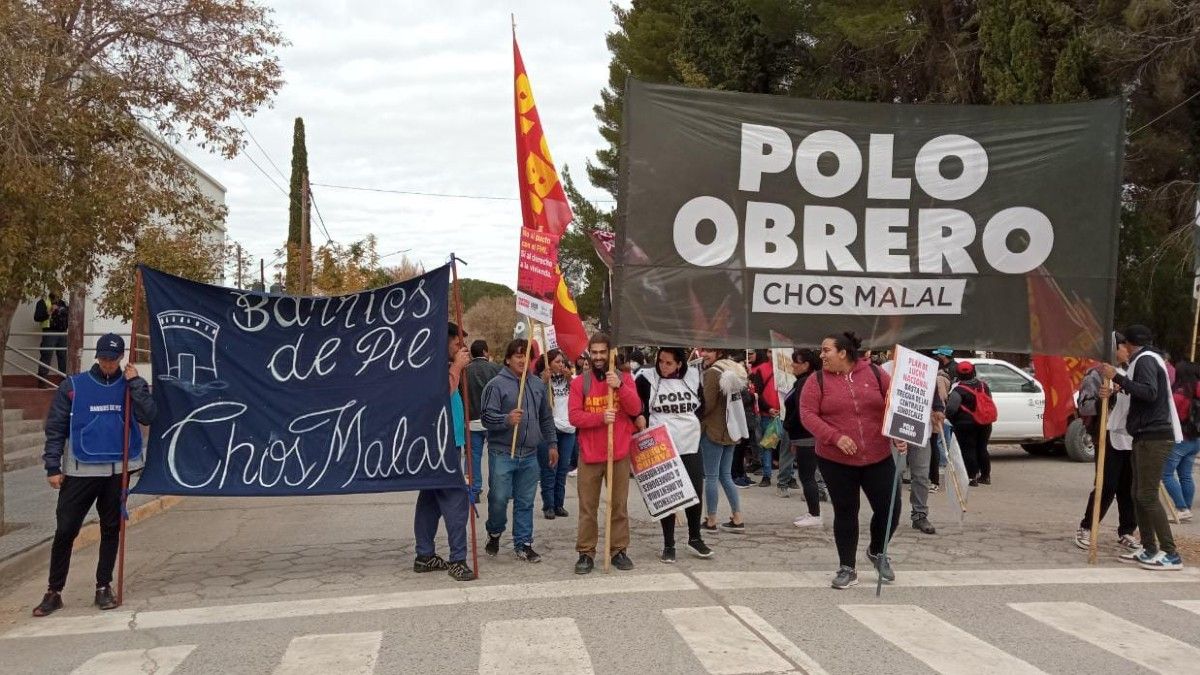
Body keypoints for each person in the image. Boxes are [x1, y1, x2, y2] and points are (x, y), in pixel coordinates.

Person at [33, 334, 156, 617]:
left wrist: (136, 383)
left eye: (113, 360)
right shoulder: (72, 386)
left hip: (115, 471)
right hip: (80, 471)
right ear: (97, 357)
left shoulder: (130, 386)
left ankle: (104, 586)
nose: (108, 364)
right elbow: (56, 428)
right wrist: (53, 466)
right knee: (65, 530)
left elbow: (149, 415)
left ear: (121, 358)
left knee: (111, 529)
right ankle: (54, 591)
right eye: (104, 359)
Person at [800, 331, 907, 590]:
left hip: (878, 456)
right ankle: (847, 567)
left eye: (826, 350)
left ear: (843, 353)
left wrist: (899, 434)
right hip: (836, 459)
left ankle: (877, 550)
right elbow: (807, 414)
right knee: (846, 512)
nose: (821, 355)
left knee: (890, 509)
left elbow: (894, 404)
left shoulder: (875, 374)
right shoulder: (816, 381)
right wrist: (834, 437)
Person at [1099, 325, 1184, 570]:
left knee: (1146, 494)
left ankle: (1170, 553)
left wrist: (1117, 376)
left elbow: (1148, 392)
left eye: (1122, 343)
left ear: (1129, 344)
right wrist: (1118, 385)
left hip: (1154, 435)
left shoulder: (1146, 360)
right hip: (1144, 434)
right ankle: (1149, 547)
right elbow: (1139, 392)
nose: (1121, 348)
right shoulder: (1145, 360)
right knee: (1138, 493)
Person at [569, 334, 641, 574]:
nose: (598, 357)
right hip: (590, 456)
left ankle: (619, 550)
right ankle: (586, 553)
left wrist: (619, 386)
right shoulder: (580, 382)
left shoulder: (625, 378)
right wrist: (600, 418)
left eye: (603, 352)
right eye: (595, 352)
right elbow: (574, 417)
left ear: (610, 353)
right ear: (590, 353)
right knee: (588, 507)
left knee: (618, 505)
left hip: (618, 453)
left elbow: (635, 408)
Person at [480, 339, 557, 563]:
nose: (522, 360)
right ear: (508, 359)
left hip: (530, 454)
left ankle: (523, 543)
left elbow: (546, 417)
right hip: (503, 453)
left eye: (526, 356)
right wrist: (506, 419)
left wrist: (552, 444)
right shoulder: (495, 385)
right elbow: (485, 417)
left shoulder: (537, 384)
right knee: (499, 498)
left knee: (525, 501)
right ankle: (494, 531)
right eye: (517, 355)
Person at [636, 347, 713, 562]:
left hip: (690, 443)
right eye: (660, 361)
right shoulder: (646, 379)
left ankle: (695, 538)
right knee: (668, 495)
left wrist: (691, 423)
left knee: (695, 491)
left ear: (679, 363)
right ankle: (668, 544)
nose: (663, 366)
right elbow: (637, 407)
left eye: (669, 363)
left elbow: (701, 406)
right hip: (662, 446)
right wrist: (640, 417)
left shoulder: (691, 376)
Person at [412, 323, 476, 582]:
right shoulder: (436, 368)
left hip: (446, 442)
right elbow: (439, 396)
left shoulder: (446, 367)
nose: (461, 348)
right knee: (455, 501)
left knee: (429, 501)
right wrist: (457, 367)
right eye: (456, 343)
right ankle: (457, 560)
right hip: (442, 445)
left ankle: (424, 554)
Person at [1074, 335, 1138, 553]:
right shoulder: (1096, 373)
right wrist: (1106, 399)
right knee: (1106, 485)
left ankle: (1127, 531)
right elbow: (1084, 406)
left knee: (1128, 487)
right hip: (1107, 436)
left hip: (1130, 437)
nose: (1127, 350)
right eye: (1123, 346)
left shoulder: (1131, 371)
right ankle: (1087, 527)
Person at [698, 348, 749, 532]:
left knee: (711, 476)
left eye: (709, 351)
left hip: (713, 430)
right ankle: (737, 517)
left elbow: (708, 404)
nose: (704, 354)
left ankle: (711, 520)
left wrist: (696, 420)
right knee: (725, 476)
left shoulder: (713, 372)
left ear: (718, 352)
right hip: (732, 429)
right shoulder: (734, 369)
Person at [783, 348, 822, 527]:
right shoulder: (803, 381)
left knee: (807, 476)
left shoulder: (805, 382)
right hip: (802, 435)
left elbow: (800, 411)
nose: (792, 365)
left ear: (806, 364)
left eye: (796, 362)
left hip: (805, 435)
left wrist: (788, 427)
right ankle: (812, 511)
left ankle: (815, 514)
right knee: (806, 475)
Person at [538, 349, 576, 520]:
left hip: (568, 428)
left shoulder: (570, 380)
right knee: (549, 468)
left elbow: (580, 396)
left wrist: (570, 380)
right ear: (548, 364)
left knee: (562, 469)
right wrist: (542, 382)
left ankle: (559, 504)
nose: (561, 365)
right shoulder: (541, 380)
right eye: (557, 362)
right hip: (549, 428)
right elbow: (535, 401)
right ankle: (549, 505)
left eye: (562, 362)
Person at [947, 362, 994, 486]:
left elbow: (951, 409)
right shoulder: (984, 386)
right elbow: (989, 401)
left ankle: (972, 477)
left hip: (965, 424)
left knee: (968, 449)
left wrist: (951, 419)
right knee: (982, 448)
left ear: (958, 374)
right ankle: (985, 476)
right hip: (985, 423)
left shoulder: (959, 390)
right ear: (973, 372)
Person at [465, 339, 501, 502]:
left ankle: (474, 489)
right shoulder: (496, 369)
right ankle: (496, 489)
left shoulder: (465, 371)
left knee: (473, 456)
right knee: (495, 455)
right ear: (486, 352)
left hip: (471, 419)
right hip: (492, 419)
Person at [1164, 361, 1199, 522]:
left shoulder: (1178, 395)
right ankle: (1186, 508)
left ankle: (1181, 507)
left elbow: (1168, 416)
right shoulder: (1196, 392)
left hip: (1180, 439)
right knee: (1186, 475)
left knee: (1166, 474)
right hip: (1196, 439)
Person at [749, 349, 781, 488]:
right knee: (767, 445)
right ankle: (767, 475)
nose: (771, 354)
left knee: (787, 448)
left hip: (784, 414)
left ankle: (789, 476)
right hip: (768, 415)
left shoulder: (789, 369)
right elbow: (758, 393)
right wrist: (768, 408)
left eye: (773, 351)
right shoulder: (761, 369)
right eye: (769, 351)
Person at [34, 291, 69, 383]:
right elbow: (37, 317)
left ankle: (65, 382)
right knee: (46, 354)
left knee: (63, 356)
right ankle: (42, 381)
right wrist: (49, 311)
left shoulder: (63, 303)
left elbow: (68, 315)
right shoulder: (43, 302)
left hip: (63, 333)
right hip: (50, 332)